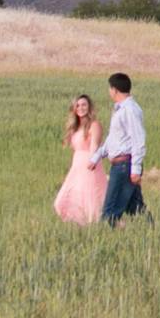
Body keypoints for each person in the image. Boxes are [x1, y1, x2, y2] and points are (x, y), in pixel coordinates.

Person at [91, 71, 150, 226]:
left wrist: (136, 169)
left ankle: (106, 237)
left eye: (110, 88)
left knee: (110, 210)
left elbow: (138, 138)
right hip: (120, 164)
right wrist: (97, 156)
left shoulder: (130, 109)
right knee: (135, 207)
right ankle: (152, 232)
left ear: (115, 90)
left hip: (125, 165)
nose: (109, 92)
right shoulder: (119, 109)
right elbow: (114, 138)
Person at [52, 93, 107, 225]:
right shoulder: (75, 128)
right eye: (78, 105)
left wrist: (93, 160)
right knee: (62, 201)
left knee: (91, 202)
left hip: (90, 167)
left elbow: (95, 145)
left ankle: (96, 229)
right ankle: (79, 228)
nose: (81, 108)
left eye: (84, 105)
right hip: (76, 168)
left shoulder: (94, 125)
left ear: (89, 107)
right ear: (74, 109)